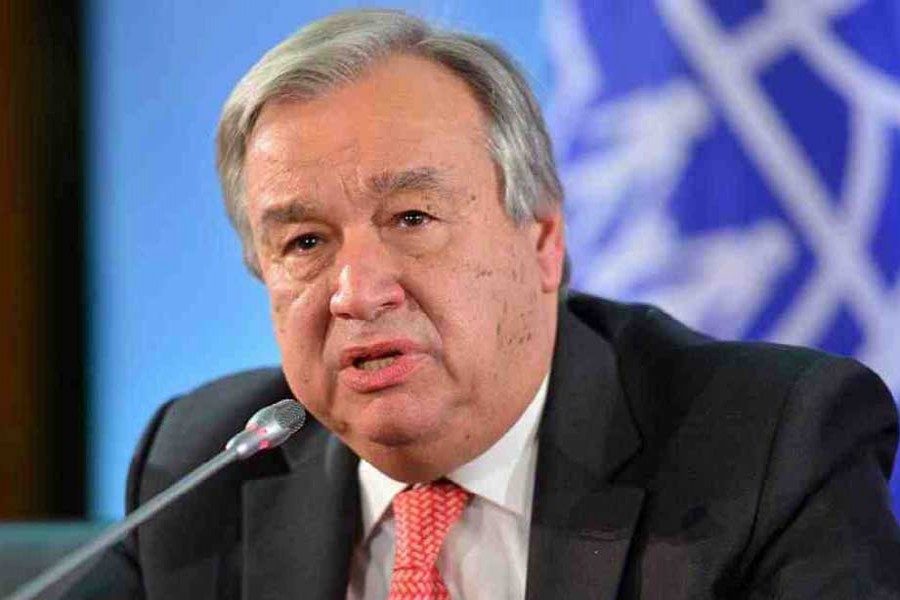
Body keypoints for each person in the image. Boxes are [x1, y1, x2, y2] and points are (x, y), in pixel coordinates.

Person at [65, 8, 900, 599]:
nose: (356, 292)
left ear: (543, 242)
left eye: (412, 219)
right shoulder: (200, 468)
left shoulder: (767, 449)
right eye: (306, 242)